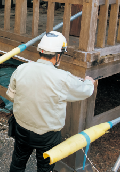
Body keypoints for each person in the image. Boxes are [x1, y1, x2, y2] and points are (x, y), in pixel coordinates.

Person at [6, 31, 96, 172]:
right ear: (58, 55)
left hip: (21, 127)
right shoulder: (62, 78)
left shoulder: (21, 69)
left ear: (41, 51)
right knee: (45, 167)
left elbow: (11, 96)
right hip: (47, 135)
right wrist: (90, 82)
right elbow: (86, 91)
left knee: (18, 161)